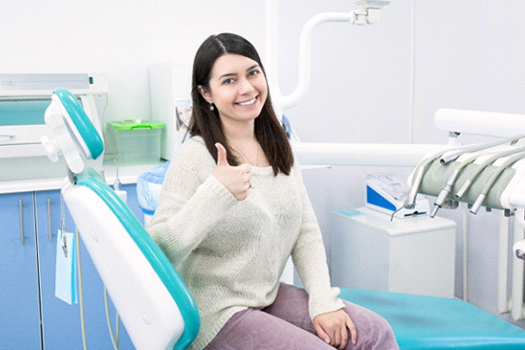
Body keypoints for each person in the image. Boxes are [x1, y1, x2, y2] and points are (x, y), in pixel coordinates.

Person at [147, 33, 398, 350]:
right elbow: (156, 251)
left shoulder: (279, 146)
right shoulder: (194, 157)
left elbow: (304, 229)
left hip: (265, 295)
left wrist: (323, 301)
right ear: (205, 93)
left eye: (253, 72)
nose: (247, 88)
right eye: (229, 80)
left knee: (374, 333)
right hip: (214, 312)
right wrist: (215, 194)